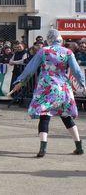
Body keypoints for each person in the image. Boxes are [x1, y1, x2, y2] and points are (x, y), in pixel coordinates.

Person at [11, 29, 85, 158]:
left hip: (46, 87)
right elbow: (77, 71)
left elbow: (30, 68)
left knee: (45, 116)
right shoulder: (68, 52)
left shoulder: (44, 51)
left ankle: (42, 148)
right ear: (60, 39)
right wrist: (83, 84)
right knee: (66, 116)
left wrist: (20, 82)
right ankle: (78, 146)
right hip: (63, 88)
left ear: (48, 39)